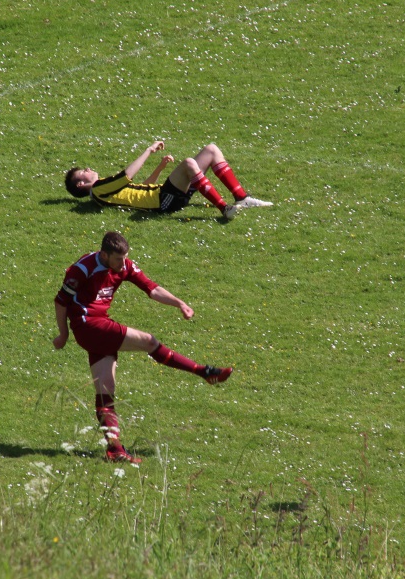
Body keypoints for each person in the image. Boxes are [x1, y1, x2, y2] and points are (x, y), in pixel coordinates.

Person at [53, 231, 233, 464]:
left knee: (106, 391)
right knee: (148, 341)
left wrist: (180, 303)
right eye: (118, 259)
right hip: (88, 325)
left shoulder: (124, 265)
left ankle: (115, 450)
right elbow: (61, 301)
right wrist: (63, 334)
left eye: (125, 257)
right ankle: (204, 372)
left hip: (99, 328)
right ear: (104, 255)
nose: (123, 263)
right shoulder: (83, 269)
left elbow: (152, 288)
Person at [64, 141, 272, 219]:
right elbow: (127, 176)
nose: (88, 169)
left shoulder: (105, 190)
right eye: (83, 172)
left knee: (211, 150)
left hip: (164, 194)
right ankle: (224, 209)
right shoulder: (98, 190)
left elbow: (141, 187)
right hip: (163, 202)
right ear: (81, 184)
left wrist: (160, 167)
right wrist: (148, 150)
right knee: (189, 163)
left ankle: (242, 198)